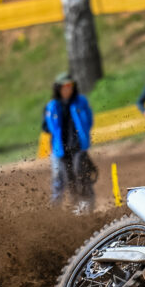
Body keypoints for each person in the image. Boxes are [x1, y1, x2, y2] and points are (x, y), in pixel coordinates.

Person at [42, 73, 96, 213]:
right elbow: (46, 126)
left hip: (78, 146)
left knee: (80, 171)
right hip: (61, 148)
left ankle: (87, 202)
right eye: (65, 86)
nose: (68, 89)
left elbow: (89, 120)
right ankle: (74, 205)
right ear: (58, 88)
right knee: (67, 178)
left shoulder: (80, 101)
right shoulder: (52, 106)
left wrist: (83, 133)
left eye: (70, 85)